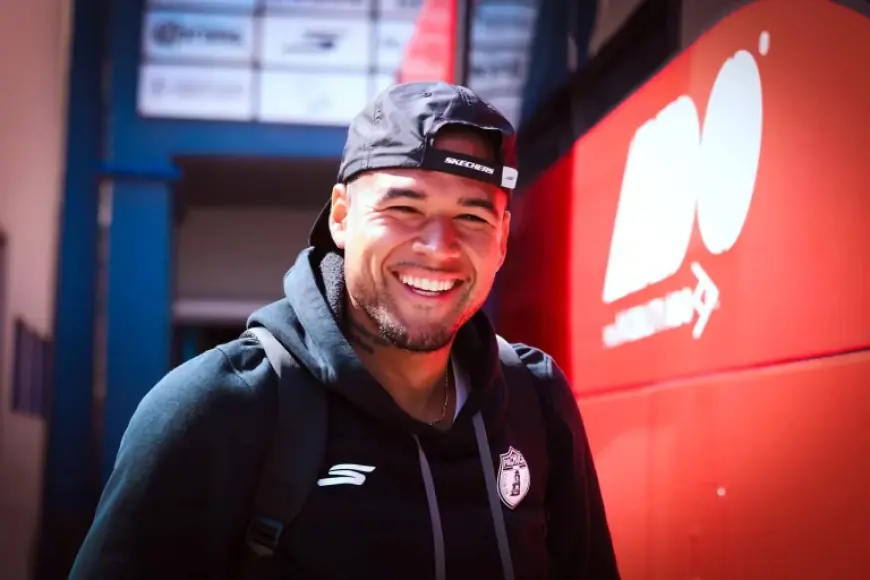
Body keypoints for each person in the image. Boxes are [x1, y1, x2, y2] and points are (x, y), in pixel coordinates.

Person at [70, 82, 620, 579]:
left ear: (501, 238)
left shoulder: (535, 400)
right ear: (340, 216)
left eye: (472, 217)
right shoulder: (215, 407)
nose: (439, 247)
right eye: (404, 207)